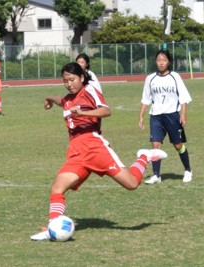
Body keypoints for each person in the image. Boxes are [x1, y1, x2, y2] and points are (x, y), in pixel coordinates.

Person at [30, 62, 168, 241]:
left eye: (72, 80)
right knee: (57, 188)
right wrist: (49, 98)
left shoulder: (89, 91)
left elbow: (106, 110)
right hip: (76, 151)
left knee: (132, 184)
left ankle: (144, 156)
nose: (69, 84)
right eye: (65, 81)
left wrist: (83, 114)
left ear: (81, 78)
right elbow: (61, 101)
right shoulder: (67, 99)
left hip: (94, 146)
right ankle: (52, 228)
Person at [139, 50, 193, 184]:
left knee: (178, 145)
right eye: (158, 60)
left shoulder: (175, 77)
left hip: (172, 116)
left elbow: (184, 97)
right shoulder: (150, 78)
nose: (161, 62)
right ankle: (156, 175)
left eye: (164, 60)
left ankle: (187, 170)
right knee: (155, 146)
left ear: (168, 62)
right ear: (155, 62)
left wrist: (183, 114)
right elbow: (146, 99)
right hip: (156, 116)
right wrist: (141, 116)